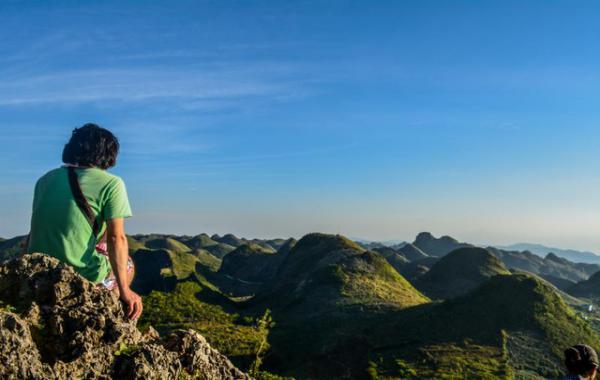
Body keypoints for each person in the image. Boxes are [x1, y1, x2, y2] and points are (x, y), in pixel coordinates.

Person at [26, 123, 143, 320]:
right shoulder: (112, 184)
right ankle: (107, 302)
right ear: (108, 153)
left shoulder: (44, 179)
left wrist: (24, 267)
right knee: (128, 264)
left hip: (36, 270)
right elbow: (117, 238)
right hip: (75, 275)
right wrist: (125, 290)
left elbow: (36, 228)